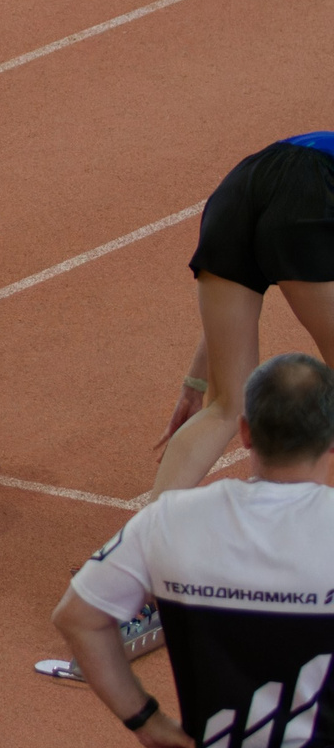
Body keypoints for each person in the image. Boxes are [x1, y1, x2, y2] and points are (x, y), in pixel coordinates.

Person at [54, 353, 334, 748]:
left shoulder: (171, 521)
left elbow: (78, 618)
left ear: (246, 432)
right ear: (330, 437)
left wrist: (144, 718)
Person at [151, 135, 334, 497]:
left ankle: (145, 538)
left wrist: (197, 383)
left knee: (226, 406)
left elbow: (234, 316)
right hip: (312, 191)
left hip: (237, 193)